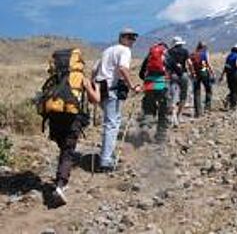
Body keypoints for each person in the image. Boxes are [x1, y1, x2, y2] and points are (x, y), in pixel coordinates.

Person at [38, 48, 101, 205]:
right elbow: (95, 100)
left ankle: (61, 175)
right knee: (68, 152)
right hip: (72, 118)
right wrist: (97, 88)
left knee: (63, 149)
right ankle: (60, 185)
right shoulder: (80, 78)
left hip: (54, 118)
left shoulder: (54, 78)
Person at [94, 28, 141, 172]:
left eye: (134, 38)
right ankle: (106, 160)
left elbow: (94, 70)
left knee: (111, 122)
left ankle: (107, 155)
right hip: (112, 90)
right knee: (112, 125)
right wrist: (132, 85)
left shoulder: (107, 50)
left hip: (101, 90)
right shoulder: (124, 51)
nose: (132, 41)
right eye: (130, 38)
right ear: (123, 38)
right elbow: (122, 69)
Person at [138, 42, 170, 143]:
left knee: (148, 107)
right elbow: (175, 69)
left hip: (149, 83)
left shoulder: (149, 56)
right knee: (163, 109)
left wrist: (147, 79)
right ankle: (160, 136)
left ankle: (145, 127)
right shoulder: (166, 55)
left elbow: (141, 73)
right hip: (162, 84)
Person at [165, 36, 192, 124]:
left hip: (173, 75)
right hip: (183, 75)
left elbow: (166, 65)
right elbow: (189, 63)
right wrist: (192, 72)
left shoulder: (169, 52)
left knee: (173, 95)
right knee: (183, 95)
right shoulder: (185, 51)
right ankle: (179, 115)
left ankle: (173, 115)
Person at [189, 41, 215, 117]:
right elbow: (208, 63)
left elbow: (189, 63)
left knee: (196, 92)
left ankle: (198, 112)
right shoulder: (205, 53)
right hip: (204, 72)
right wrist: (212, 72)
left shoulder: (193, 54)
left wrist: (192, 72)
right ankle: (207, 108)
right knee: (208, 89)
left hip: (196, 74)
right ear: (204, 47)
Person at [220, 44, 237, 109]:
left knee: (232, 89)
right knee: (236, 90)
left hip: (228, 75)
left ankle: (228, 99)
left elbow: (225, 66)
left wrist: (222, 75)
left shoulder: (229, 56)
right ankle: (233, 105)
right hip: (235, 74)